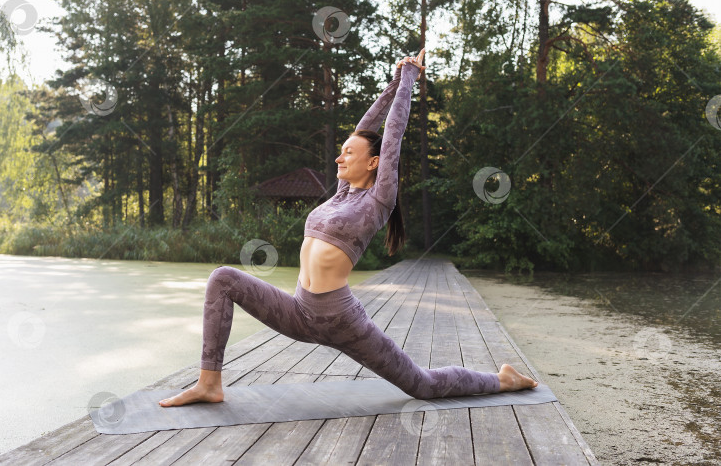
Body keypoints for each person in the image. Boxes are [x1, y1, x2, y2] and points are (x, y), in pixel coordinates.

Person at [159, 48, 537, 407]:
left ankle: (504, 379)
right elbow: (366, 127)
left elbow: (391, 136)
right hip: (299, 312)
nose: (339, 157)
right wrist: (391, 84)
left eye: (349, 153)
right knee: (223, 278)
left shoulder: (379, 200)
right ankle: (209, 384)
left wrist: (408, 78)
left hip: (342, 321)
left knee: (423, 385)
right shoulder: (341, 193)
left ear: (373, 163)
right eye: (341, 151)